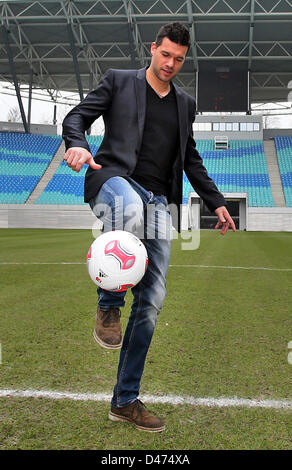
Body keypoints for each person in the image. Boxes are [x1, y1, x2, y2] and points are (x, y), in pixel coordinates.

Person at [62, 22, 236, 433]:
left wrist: (217, 202)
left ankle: (124, 400)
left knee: (153, 301)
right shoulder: (119, 82)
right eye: (165, 54)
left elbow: (189, 158)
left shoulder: (185, 104)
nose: (170, 64)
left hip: (161, 201)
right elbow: (77, 117)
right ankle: (108, 308)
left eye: (179, 59)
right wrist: (77, 144)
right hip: (114, 181)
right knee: (129, 205)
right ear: (152, 48)